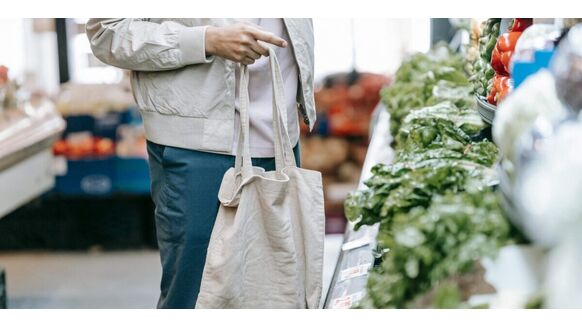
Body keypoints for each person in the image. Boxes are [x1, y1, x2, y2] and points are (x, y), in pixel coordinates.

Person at [86, 18, 315, 308]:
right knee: (194, 297)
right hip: (196, 148)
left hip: (282, 140)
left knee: (278, 294)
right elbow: (107, 32)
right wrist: (206, 40)